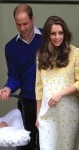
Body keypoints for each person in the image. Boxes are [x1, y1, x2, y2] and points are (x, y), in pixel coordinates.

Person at [0, 4, 42, 150]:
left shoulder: (47, 38)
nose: (22, 28)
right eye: (18, 24)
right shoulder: (10, 47)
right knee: (24, 144)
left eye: (25, 23)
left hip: (48, 100)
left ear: (32, 19)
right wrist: (7, 88)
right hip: (26, 102)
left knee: (47, 143)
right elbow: (14, 76)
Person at [35, 15, 79, 150]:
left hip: (69, 115)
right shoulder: (40, 55)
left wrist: (60, 93)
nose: (57, 37)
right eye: (53, 33)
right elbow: (39, 88)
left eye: (60, 33)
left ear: (65, 34)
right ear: (47, 35)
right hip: (47, 115)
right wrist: (38, 116)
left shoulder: (75, 53)